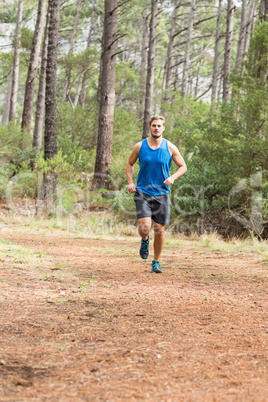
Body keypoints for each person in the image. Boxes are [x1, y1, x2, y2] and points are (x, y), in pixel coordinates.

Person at [126, 115, 187, 273]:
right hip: (143, 192)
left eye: (159, 126)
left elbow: (183, 166)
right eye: (154, 125)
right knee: (145, 227)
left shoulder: (170, 147)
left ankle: (156, 262)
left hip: (162, 194)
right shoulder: (140, 146)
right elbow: (129, 164)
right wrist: (130, 182)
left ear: (163, 128)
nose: (156, 128)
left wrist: (173, 177)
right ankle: (144, 239)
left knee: (159, 230)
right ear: (149, 127)